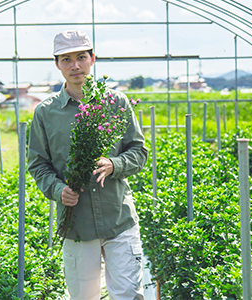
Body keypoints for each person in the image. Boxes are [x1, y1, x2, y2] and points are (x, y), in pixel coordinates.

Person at [28, 30, 148, 300]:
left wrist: (114, 164)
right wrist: (58, 190)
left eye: (81, 57)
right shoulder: (45, 113)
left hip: (119, 219)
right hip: (77, 226)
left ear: (92, 59)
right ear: (57, 64)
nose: (75, 66)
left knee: (129, 294)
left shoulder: (116, 103)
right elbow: (38, 165)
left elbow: (139, 151)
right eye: (66, 59)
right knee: (84, 297)